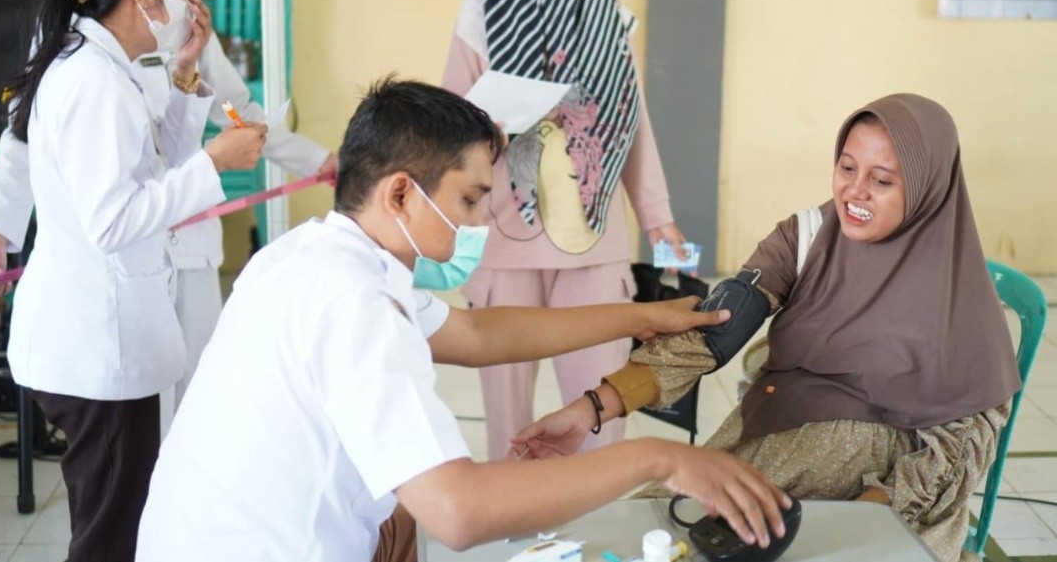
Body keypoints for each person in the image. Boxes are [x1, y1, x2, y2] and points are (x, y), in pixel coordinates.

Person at [135, 77, 791, 562]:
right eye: (471, 198)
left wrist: (639, 315)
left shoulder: (313, 255)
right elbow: (459, 509)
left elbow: (477, 334)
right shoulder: (356, 306)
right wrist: (661, 459)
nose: (480, 222)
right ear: (399, 191)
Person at [512, 94, 1022, 562]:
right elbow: (712, 331)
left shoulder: (962, 303)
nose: (855, 191)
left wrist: (870, 511)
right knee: (639, 530)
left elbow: (961, 445)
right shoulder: (806, 238)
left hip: (878, 492)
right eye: (846, 167)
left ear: (931, 185)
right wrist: (589, 410)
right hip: (767, 441)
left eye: (883, 180)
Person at [0, 0, 336, 431]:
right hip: (120, 256)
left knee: (192, 406)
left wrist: (320, 161)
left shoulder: (182, 26)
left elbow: (236, 112)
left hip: (182, 241)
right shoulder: (74, 51)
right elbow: (24, 137)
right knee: (136, 430)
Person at [4, 0, 265, 562]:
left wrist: (183, 74)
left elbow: (151, 168)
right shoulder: (94, 82)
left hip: (93, 341)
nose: (187, 5)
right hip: (96, 348)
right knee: (111, 536)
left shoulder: (99, 64)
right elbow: (114, 218)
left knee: (117, 519)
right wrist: (216, 162)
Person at [442, 0, 688, 460]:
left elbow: (633, 121)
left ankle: (595, 516)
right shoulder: (477, 20)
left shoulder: (607, 17)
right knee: (506, 401)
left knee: (600, 392)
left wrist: (658, 215)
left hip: (593, 233)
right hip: (505, 234)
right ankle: (515, 512)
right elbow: (446, 128)